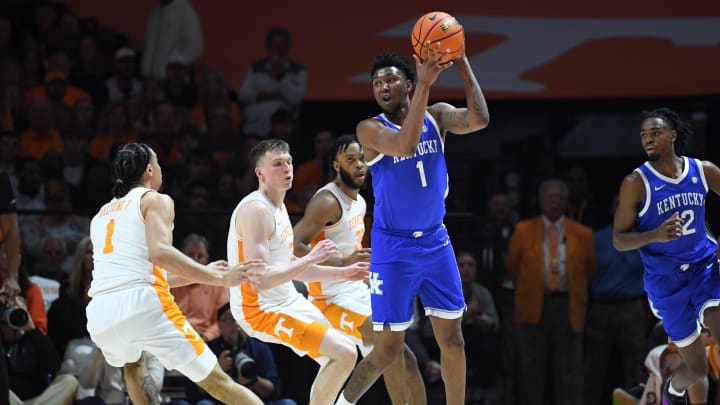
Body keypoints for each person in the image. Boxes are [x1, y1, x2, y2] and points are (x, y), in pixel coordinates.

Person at [334, 38, 490, 405]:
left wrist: (463, 60)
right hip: (393, 247)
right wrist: (425, 83)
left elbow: (480, 119)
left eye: (390, 80)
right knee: (388, 348)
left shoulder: (436, 115)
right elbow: (404, 145)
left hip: (436, 242)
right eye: (377, 83)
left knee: (453, 339)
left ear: (406, 83)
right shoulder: (368, 129)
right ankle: (340, 403)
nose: (383, 87)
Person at [85, 142, 266, 405]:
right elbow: (160, 254)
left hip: (101, 314)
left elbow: (144, 273)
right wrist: (218, 278)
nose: (161, 170)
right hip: (142, 306)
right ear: (149, 170)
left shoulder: (100, 216)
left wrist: (202, 274)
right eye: (158, 164)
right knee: (217, 381)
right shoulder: (155, 200)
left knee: (133, 365)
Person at [227, 138, 370, 405]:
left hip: (288, 299)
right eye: (278, 164)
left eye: (289, 162)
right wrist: (310, 259)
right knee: (344, 353)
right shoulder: (256, 210)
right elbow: (259, 281)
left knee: (343, 357)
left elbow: (289, 270)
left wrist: (344, 273)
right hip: (259, 308)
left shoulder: (279, 207)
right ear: (260, 173)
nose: (287, 169)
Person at [292, 135, 426, 404]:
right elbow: (293, 246)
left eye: (362, 158)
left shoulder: (360, 202)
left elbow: (353, 252)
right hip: (328, 299)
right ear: (336, 166)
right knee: (387, 347)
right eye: (350, 160)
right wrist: (342, 263)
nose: (359, 165)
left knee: (405, 358)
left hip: (355, 290)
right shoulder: (327, 201)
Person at [613, 107, 720, 404]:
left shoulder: (703, 170)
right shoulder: (636, 182)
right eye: (644, 135)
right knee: (697, 368)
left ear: (673, 136)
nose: (648, 139)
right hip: (667, 282)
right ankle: (672, 391)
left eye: (655, 132)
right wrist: (655, 235)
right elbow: (619, 240)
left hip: (704, 268)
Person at [505, 179, 596, 405]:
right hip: (533, 304)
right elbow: (513, 267)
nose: (553, 202)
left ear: (565, 202)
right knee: (531, 369)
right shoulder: (523, 230)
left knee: (569, 370)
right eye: (549, 197)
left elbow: (590, 271)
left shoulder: (583, 234)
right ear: (541, 202)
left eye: (558, 198)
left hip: (568, 304)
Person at [584, 194, 648, 405]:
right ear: (612, 210)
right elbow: (585, 272)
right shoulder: (595, 239)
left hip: (632, 308)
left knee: (636, 363)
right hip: (601, 307)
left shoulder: (644, 239)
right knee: (594, 365)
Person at [184, 303, 297, 405]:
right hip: (220, 402)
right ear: (219, 325)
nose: (236, 323)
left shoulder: (260, 348)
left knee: (288, 403)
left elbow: (275, 391)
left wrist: (253, 379)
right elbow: (193, 393)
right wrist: (217, 370)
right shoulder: (210, 349)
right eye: (229, 319)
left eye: (239, 319)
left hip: (256, 400)